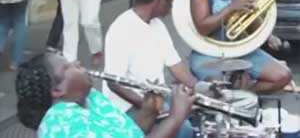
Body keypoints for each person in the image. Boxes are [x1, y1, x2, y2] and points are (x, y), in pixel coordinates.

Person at [103, 0, 198, 138]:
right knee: (184, 130)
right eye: (170, 1)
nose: (171, 6)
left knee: (197, 115)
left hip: (156, 97)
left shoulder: (158, 25)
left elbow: (176, 66)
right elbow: (113, 82)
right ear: (157, 1)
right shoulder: (121, 29)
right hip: (127, 105)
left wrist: (199, 90)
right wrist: (150, 106)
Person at [15, 52, 196, 138]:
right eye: (68, 66)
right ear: (57, 90)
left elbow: (124, 132)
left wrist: (148, 111)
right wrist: (175, 117)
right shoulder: (62, 124)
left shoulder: (89, 97)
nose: (77, 62)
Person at [189, 0, 291, 94]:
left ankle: (242, 94)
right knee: (218, 87)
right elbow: (203, 28)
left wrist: (267, 35)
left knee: (284, 76)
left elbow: (250, 20)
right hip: (208, 51)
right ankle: (231, 96)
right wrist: (231, 8)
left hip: (241, 50)